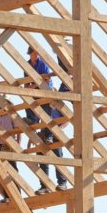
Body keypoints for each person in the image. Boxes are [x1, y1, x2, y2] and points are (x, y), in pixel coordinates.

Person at [24, 45, 69, 193]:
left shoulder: (55, 102)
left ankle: (62, 183)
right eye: (36, 52)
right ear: (33, 52)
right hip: (43, 123)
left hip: (53, 129)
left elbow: (67, 118)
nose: (36, 54)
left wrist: (59, 128)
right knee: (42, 156)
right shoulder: (28, 64)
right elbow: (26, 82)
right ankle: (44, 186)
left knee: (57, 157)